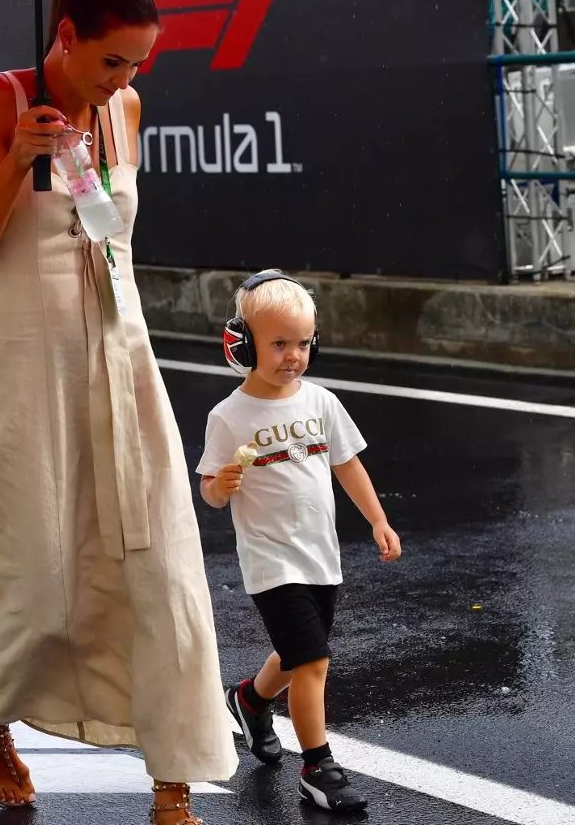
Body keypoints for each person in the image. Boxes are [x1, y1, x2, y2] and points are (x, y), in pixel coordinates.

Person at [0, 0, 237, 824]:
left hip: (121, 357)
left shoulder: (126, 109)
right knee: (29, 567)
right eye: (113, 62)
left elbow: (113, 239)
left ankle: (173, 780)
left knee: (160, 568)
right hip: (26, 361)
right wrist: (15, 158)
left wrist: (113, 99)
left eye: (139, 63)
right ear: (67, 36)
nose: (127, 79)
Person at [197, 270, 403, 814]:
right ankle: (318, 768)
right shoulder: (229, 416)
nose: (293, 355)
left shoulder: (321, 402)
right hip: (270, 560)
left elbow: (347, 464)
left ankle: (249, 699)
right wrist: (221, 485)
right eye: (278, 344)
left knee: (295, 655)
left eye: (303, 343)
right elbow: (209, 493)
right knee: (313, 661)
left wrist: (378, 521)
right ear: (242, 345)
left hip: (321, 554)